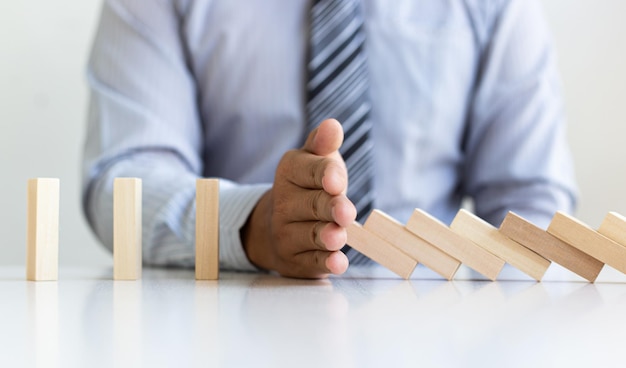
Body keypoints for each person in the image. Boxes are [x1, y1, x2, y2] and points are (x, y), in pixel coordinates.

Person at [82, 0, 577, 279]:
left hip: (433, 330)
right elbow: (123, 181)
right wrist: (250, 226)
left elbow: (529, 205)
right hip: (224, 321)